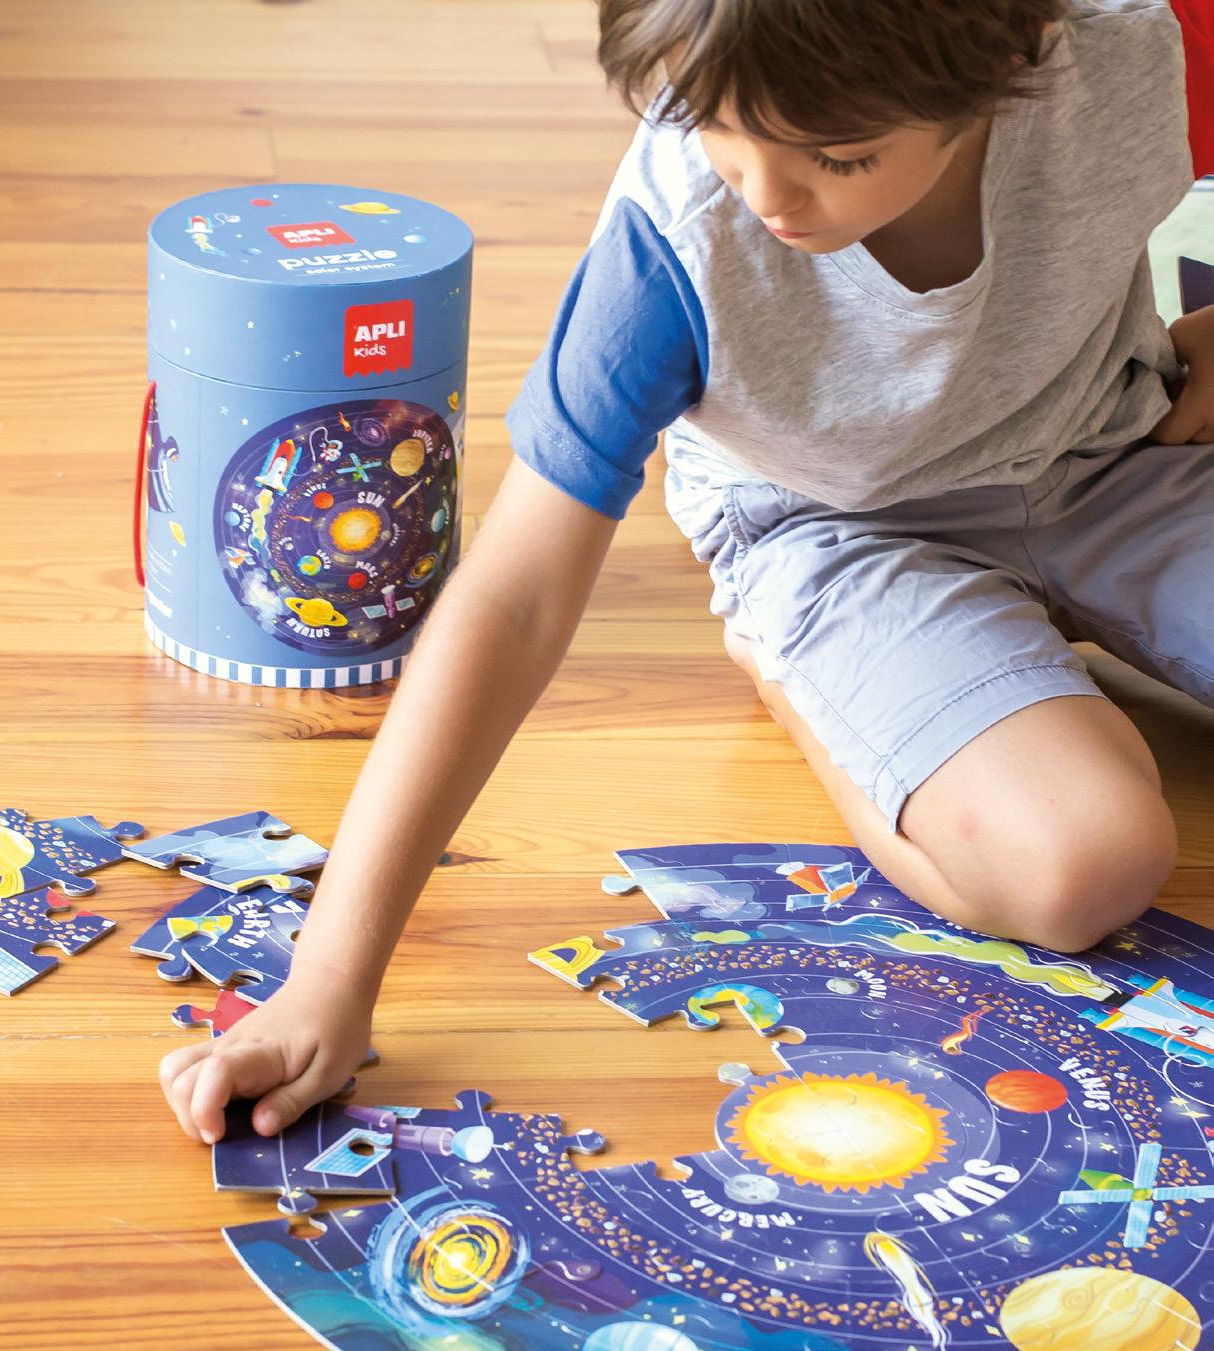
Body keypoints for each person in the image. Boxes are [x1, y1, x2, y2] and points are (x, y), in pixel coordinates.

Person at [161, 0, 1214, 1145]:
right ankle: (792, 661)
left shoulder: (1127, 43)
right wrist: (327, 973)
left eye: (836, 156)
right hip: (833, 528)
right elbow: (511, 600)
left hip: (1116, 442)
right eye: (712, 122)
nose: (765, 195)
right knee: (1081, 864)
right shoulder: (675, 241)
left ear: (1012, 49)